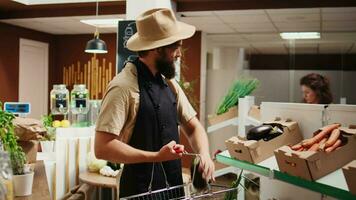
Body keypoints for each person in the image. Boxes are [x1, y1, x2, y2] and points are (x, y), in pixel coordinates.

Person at [94, 8, 215, 198]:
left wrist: (204, 154)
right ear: (157, 48)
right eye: (176, 47)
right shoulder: (123, 87)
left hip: (173, 187)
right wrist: (156, 157)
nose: (179, 54)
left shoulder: (170, 84)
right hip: (138, 190)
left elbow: (193, 128)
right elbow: (103, 147)